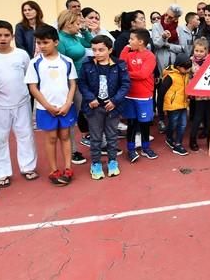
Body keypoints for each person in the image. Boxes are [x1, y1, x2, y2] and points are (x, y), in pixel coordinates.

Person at [0, 21, 38, 187]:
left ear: (12, 36)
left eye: (6, 35)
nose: (3, 39)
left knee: (26, 135)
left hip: (22, 102)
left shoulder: (21, 55)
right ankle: (1, 172)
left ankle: (28, 167)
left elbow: (28, 76)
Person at [24, 25, 78, 186]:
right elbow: (32, 87)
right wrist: (47, 106)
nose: (41, 46)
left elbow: (72, 84)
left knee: (65, 136)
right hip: (45, 109)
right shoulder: (35, 63)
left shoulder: (67, 61)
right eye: (39, 43)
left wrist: (68, 103)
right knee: (51, 138)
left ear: (56, 42)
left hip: (65, 107)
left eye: (45, 42)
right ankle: (54, 170)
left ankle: (68, 168)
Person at [78, 35, 130, 180]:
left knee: (112, 136)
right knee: (95, 138)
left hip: (113, 107)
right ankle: (96, 163)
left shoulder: (119, 65)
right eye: (94, 50)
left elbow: (125, 84)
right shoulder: (87, 65)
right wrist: (90, 98)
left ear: (110, 49)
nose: (97, 53)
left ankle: (112, 161)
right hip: (94, 107)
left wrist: (115, 101)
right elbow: (82, 83)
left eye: (101, 50)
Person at [57, 9, 93, 163]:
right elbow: (61, 63)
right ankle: (71, 151)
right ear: (68, 23)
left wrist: (84, 30)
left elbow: (90, 42)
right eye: (77, 24)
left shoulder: (74, 37)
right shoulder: (61, 39)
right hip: (69, 82)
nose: (79, 26)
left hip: (80, 80)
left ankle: (95, 142)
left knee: (83, 113)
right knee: (71, 116)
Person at [120, 29, 157, 161]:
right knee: (131, 123)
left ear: (140, 42)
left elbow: (143, 74)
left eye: (131, 39)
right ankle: (130, 149)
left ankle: (146, 148)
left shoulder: (150, 56)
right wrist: (125, 49)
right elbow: (121, 65)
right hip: (130, 95)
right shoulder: (129, 55)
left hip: (144, 96)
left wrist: (127, 74)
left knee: (145, 124)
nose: (129, 42)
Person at [159, 53, 192, 156]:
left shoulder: (185, 74)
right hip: (172, 105)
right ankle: (169, 138)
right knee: (173, 123)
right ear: (178, 67)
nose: (187, 70)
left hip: (183, 103)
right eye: (185, 68)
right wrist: (160, 110)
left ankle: (178, 144)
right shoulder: (170, 77)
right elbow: (161, 93)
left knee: (182, 124)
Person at [188, 38, 210, 152]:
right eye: (196, 50)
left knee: (209, 117)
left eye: (201, 51)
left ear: (206, 51)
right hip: (198, 95)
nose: (198, 53)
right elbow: (188, 77)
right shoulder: (191, 61)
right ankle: (192, 140)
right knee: (197, 117)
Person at [152, 4, 185, 75]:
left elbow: (182, 48)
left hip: (175, 62)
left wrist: (168, 45)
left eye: (170, 17)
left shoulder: (179, 29)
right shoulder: (156, 26)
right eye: (166, 14)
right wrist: (163, 38)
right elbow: (156, 44)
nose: (166, 18)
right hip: (160, 61)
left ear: (176, 19)